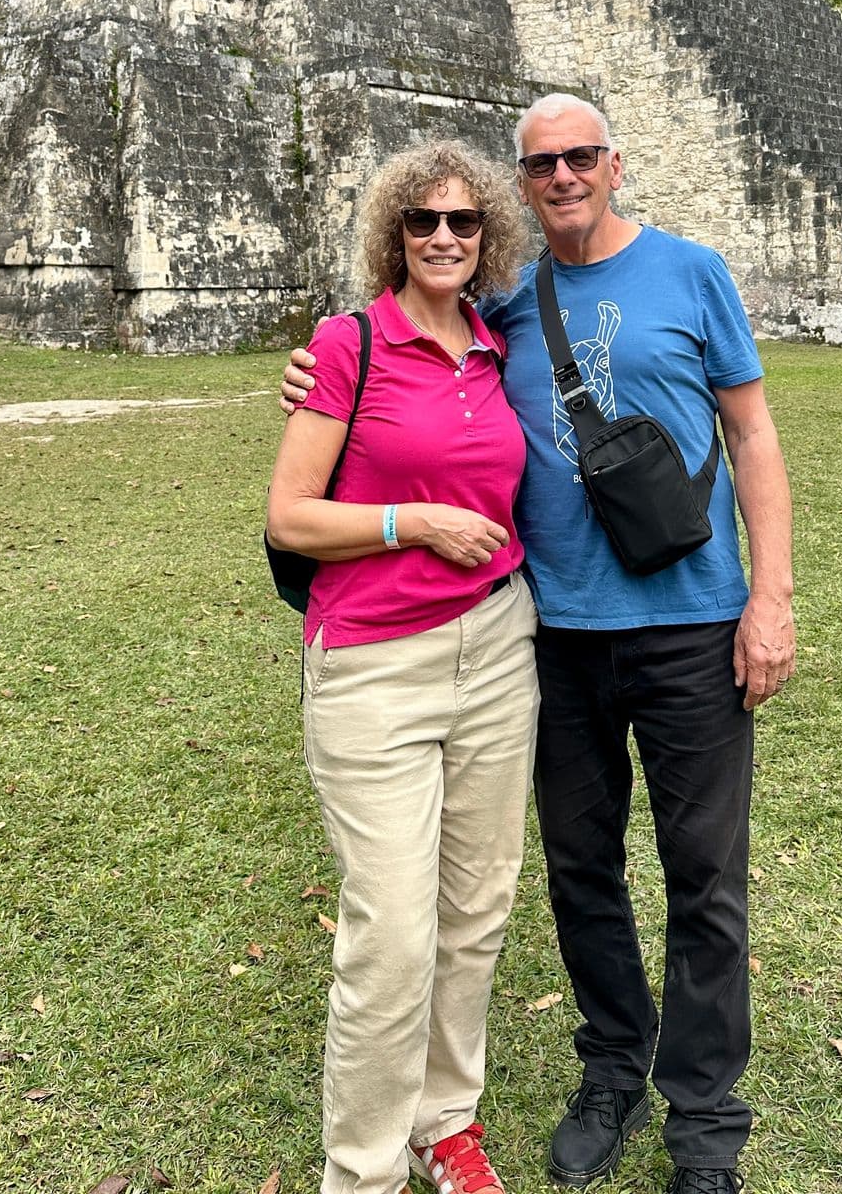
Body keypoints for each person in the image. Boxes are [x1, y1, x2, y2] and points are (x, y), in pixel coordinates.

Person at [282, 95, 796, 1194]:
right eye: (540, 162)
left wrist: (773, 595)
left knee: (704, 878)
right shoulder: (506, 301)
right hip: (552, 634)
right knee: (580, 872)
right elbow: (392, 348)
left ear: (614, 164)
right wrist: (310, 366)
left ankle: (704, 1120)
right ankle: (612, 1064)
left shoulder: (692, 271)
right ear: (525, 184)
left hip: (692, 621)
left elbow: (751, 428)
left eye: (579, 155)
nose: (561, 174)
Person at [266, 139, 539, 1194]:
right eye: (423, 220)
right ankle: (363, 1168)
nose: (442, 236)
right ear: (395, 231)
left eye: (463, 221)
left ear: (487, 237)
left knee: (477, 906)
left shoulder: (499, 342)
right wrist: (408, 519)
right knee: (391, 931)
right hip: (376, 665)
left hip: (497, 648)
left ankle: (446, 1118)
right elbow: (289, 515)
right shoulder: (347, 343)